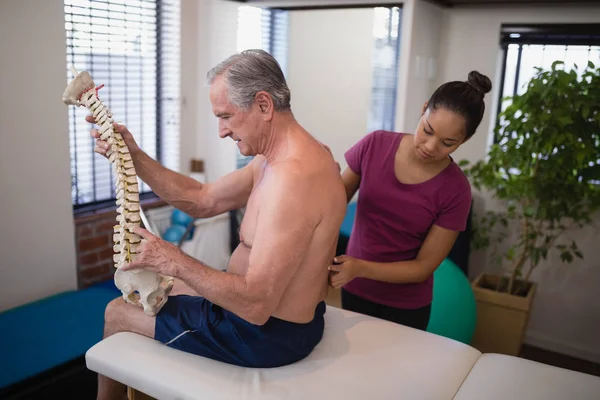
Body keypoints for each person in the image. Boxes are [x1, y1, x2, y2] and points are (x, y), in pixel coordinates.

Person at [88, 49, 347, 400]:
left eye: (226, 117)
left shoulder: (294, 181)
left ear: (263, 105)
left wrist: (173, 259)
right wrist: (134, 156)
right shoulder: (280, 157)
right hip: (280, 318)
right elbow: (201, 199)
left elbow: (256, 306)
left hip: (264, 335)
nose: (222, 131)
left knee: (116, 311)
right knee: (168, 283)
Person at [328, 71, 492, 331]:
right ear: (424, 109)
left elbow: (422, 267)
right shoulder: (375, 145)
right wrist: (319, 176)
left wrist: (359, 267)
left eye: (447, 143)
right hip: (355, 288)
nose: (430, 146)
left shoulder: (456, 190)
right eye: (427, 130)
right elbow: (334, 205)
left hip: (405, 305)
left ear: (465, 140)